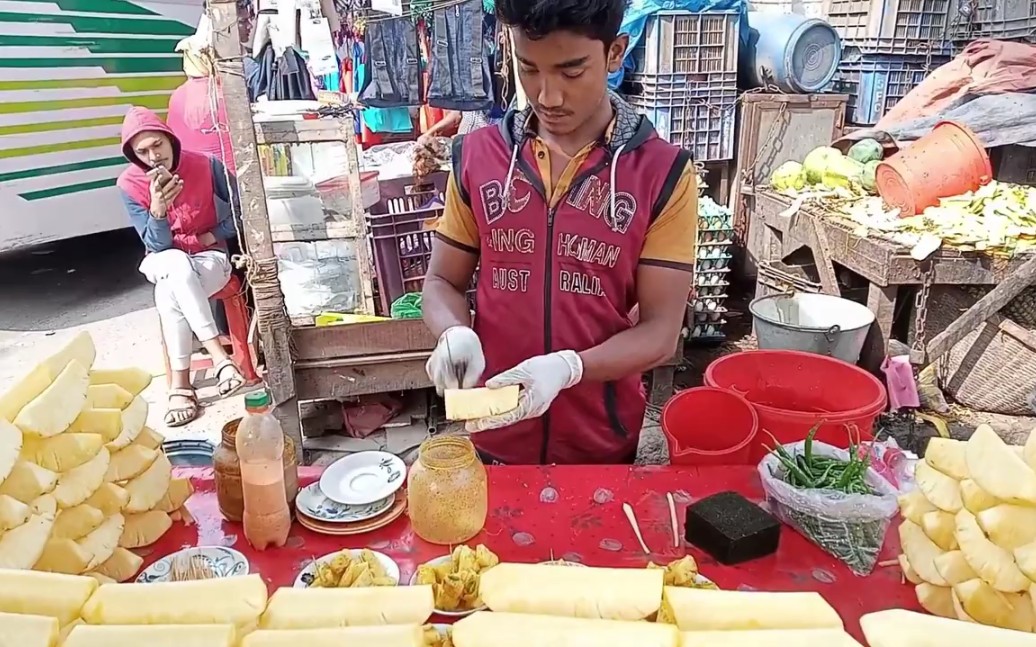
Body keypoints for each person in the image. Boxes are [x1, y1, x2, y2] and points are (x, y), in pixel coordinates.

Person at [421, 0, 698, 465]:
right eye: (528, 68)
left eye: (571, 72)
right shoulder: (478, 158)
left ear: (614, 54)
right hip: (494, 435)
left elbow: (660, 331)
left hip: (601, 444)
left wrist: (571, 368)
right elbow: (441, 281)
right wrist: (453, 332)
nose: (546, 96)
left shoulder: (663, 173)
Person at [116, 107, 246, 428]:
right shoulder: (129, 184)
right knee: (173, 263)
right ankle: (221, 359)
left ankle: (181, 387)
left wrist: (215, 233)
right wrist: (158, 209)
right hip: (163, 259)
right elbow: (157, 246)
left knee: (168, 294)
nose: (153, 156)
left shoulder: (205, 165)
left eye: (157, 145)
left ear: (170, 141)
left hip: (207, 257)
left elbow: (246, 207)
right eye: (142, 152)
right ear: (133, 156)